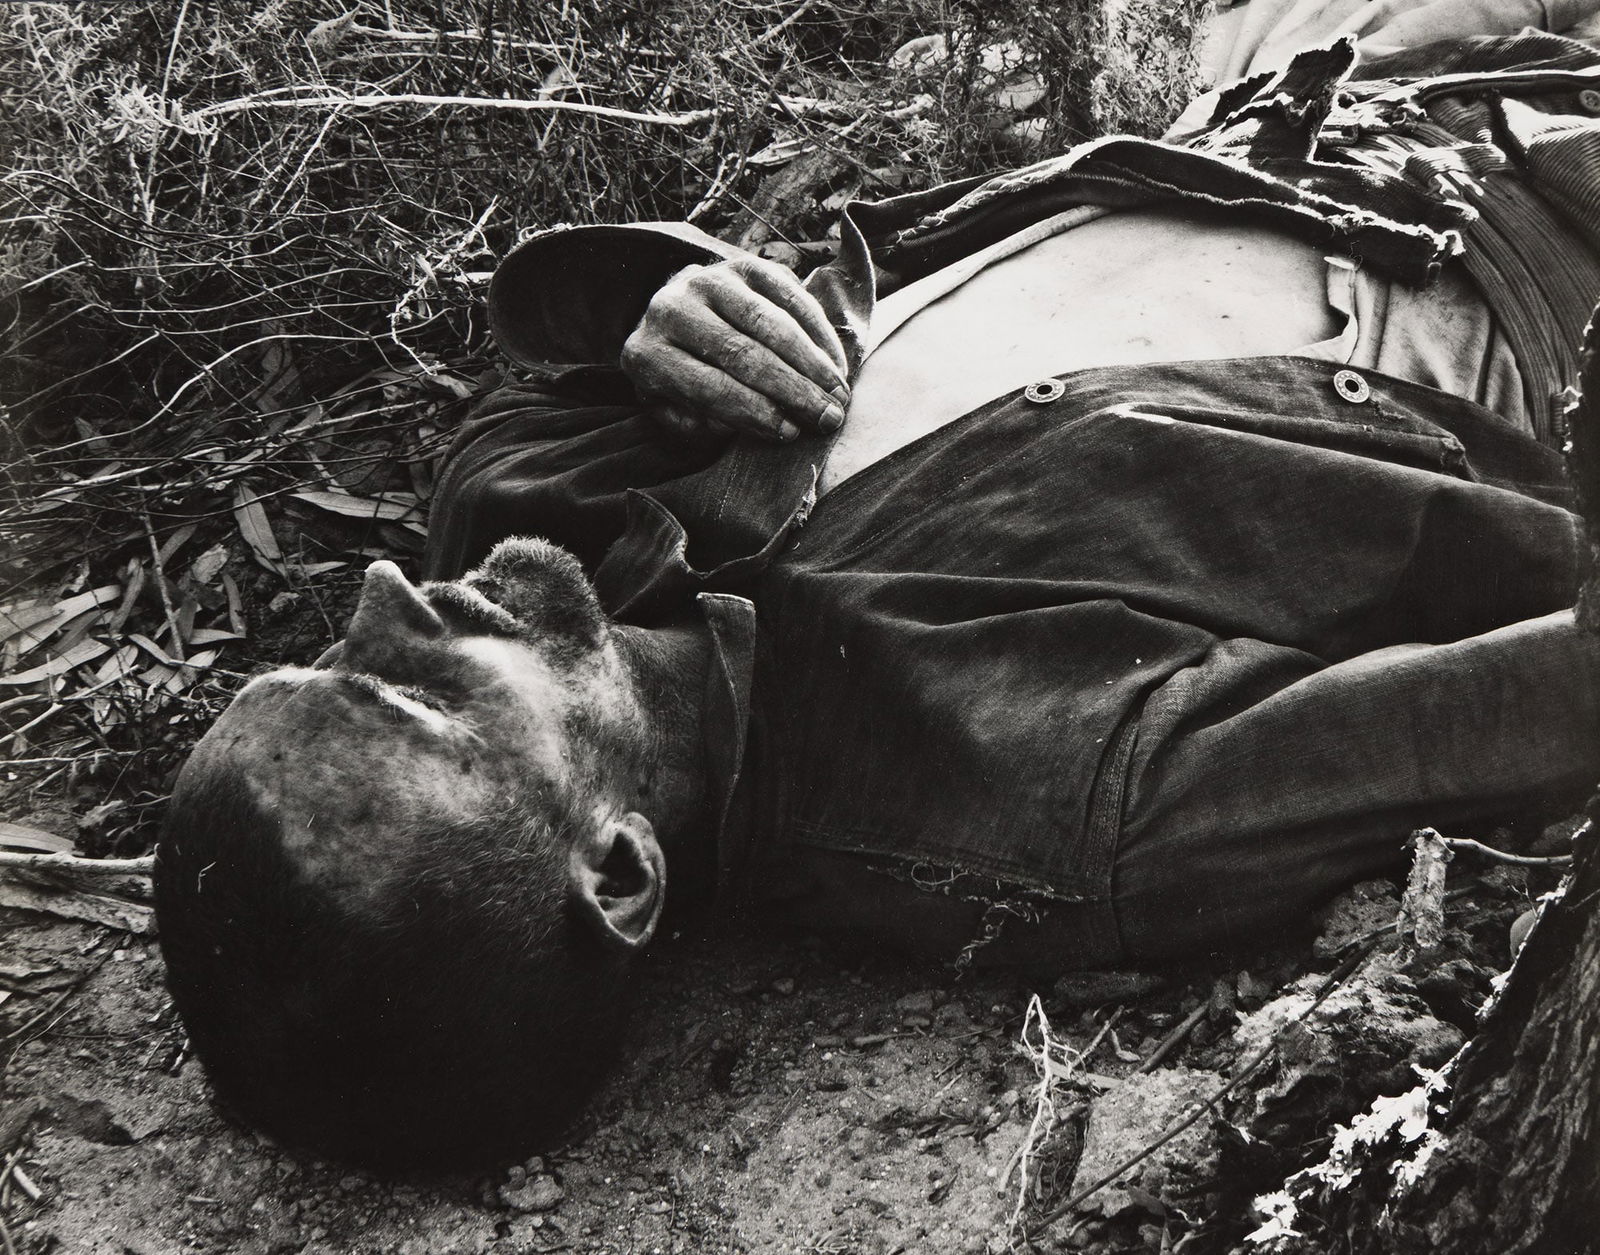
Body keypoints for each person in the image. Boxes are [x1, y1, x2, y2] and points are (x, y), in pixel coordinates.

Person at [155, 2, 1600, 1171]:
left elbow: (530, 372)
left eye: (333, 655)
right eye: (411, 700)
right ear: (618, 870)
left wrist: (662, 302)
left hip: (1284, 95)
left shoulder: (526, 531)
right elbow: (1545, 696)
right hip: (1534, 241)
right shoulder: (1032, 796)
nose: (393, 597)